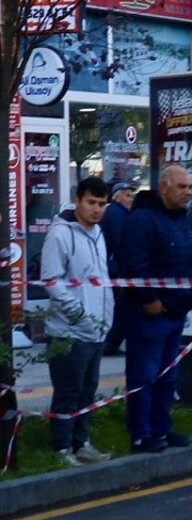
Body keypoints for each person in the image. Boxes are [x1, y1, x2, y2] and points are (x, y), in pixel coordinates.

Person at [117, 167, 192, 454]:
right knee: (145, 375)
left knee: (167, 377)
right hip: (150, 314)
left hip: (175, 313)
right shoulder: (142, 220)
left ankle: (161, 429)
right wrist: (149, 299)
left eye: (189, 187)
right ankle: (142, 435)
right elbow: (134, 264)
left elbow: (189, 262)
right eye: (181, 186)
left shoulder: (183, 221)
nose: (188, 192)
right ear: (164, 187)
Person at [41, 177, 114, 467]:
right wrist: (80, 315)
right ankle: (61, 449)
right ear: (77, 200)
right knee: (68, 392)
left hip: (96, 329)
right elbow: (51, 281)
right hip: (69, 332)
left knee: (87, 390)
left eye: (102, 204)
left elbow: (100, 278)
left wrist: (104, 318)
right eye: (91, 203)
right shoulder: (60, 235)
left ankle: (81, 443)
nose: (97, 210)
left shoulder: (98, 233)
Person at [100, 182, 134, 356]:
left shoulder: (118, 212)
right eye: (127, 195)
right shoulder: (116, 213)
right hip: (113, 270)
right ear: (117, 196)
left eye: (132, 196)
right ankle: (110, 343)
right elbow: (123, 242)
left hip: (113, 268)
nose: (131, 199)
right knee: (121, 308)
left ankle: (111, 342)